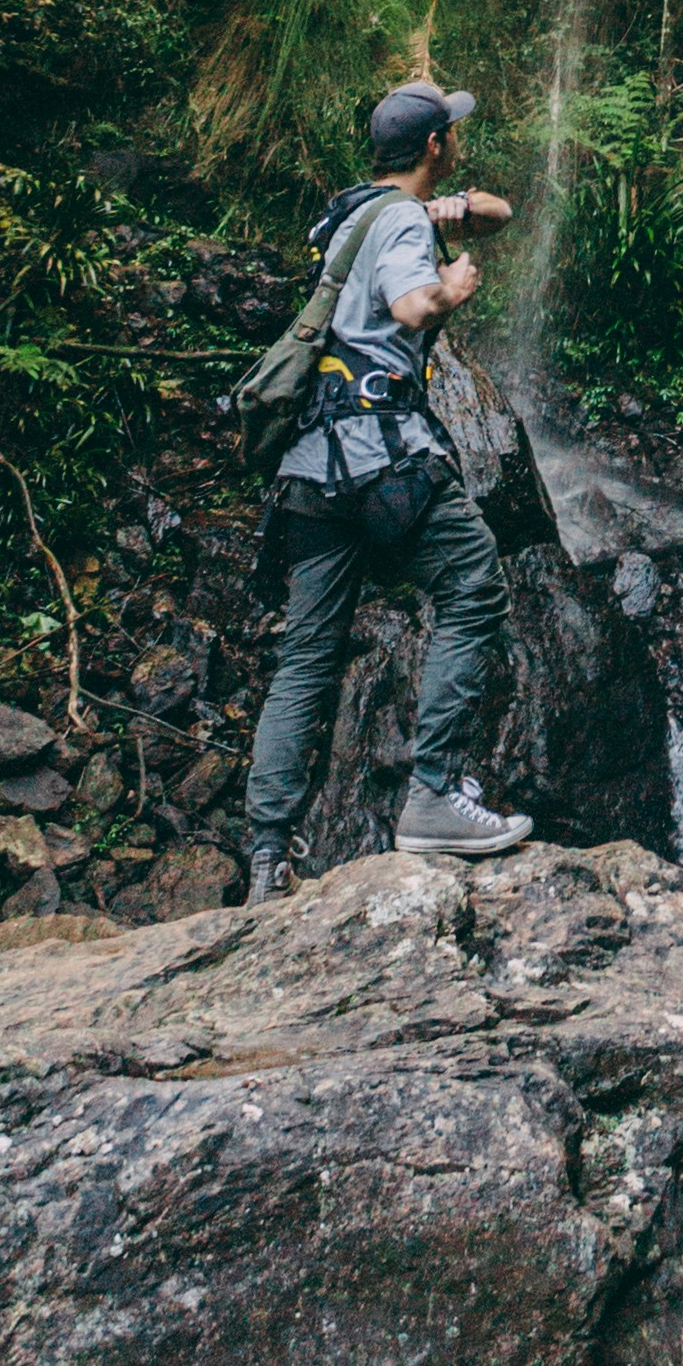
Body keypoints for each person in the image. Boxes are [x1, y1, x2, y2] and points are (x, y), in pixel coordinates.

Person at [242, 79, 535, 898]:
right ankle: (433, 796)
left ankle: (268, 857)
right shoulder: (402, 221)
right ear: (436, 146)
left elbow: (501, 214)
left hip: (308, 467)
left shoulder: (346, 215)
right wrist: (452, 291)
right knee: (475, 588)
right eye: (452, 136)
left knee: (306, 657)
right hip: (382, 457)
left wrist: (455, 210)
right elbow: (412, 304)